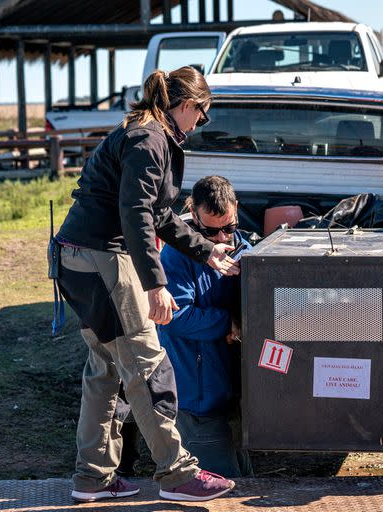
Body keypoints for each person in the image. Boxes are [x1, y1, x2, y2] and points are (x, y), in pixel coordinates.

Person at [54, 66, 239, 503]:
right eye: (202, 115)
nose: (199, 125)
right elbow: (136, 214)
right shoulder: (150, 138)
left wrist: (205, 250)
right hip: (103, 260)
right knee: (148, 364)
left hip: (76, 259)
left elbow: (159, 215)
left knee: (105, 369)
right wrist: (156, 285)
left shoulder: (142, 131)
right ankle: (177, 474)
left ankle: (92, 476)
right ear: (189, 105)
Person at [158, 175, 254, 478]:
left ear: (236, 209)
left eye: (228, 227)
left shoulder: (241, 245)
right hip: (197, 396)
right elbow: (175, 316)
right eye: (211, 231)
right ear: (193, 212)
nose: (222, 238)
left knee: (242, 476)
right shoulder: (176, 254)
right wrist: (229, 322)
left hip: (227, 389)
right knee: (222, 484)